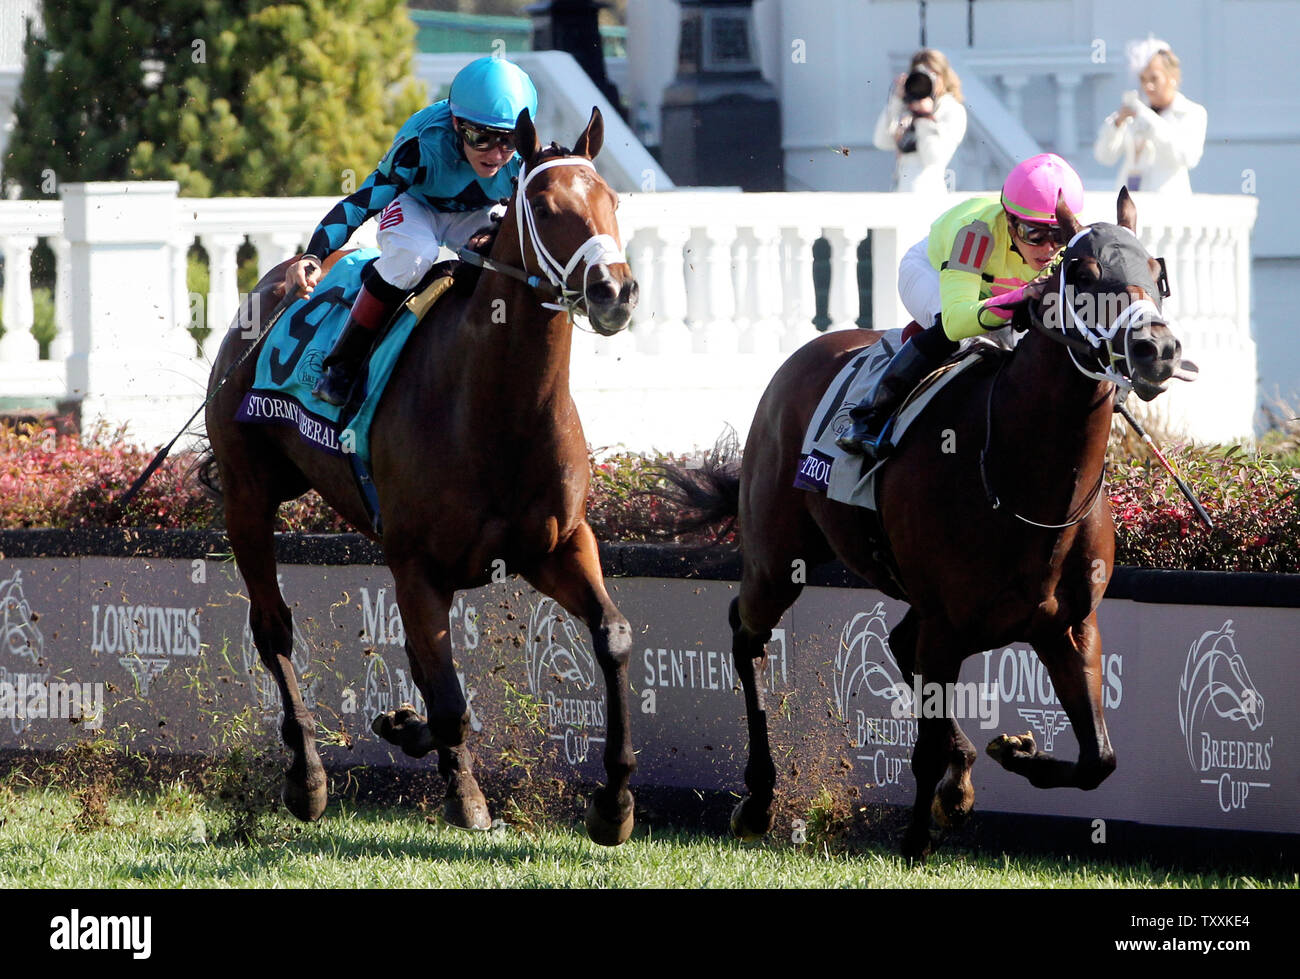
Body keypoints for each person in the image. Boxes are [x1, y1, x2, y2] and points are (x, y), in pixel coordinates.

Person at [284, 56, 538, 406]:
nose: (496, 155)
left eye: (508, 141)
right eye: (481, 137)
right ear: (455, 124)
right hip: (412, 204)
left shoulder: (525, 160)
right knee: (413, 257)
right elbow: (361, 204)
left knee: (504, 260)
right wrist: (315, 253)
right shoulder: (422, 145)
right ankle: (342, 364)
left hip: (473, 213)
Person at [837, 153, 1084, 456]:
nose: (1048, 248)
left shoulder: (1069, 248)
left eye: (1058, 236)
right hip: (930, 273)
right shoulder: (975, 233)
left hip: (994, 287)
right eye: (1033, 234)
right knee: (954, 335)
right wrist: (1018, 298)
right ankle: (868, 419)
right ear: (1009, 220)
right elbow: (956, 320)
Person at [1093, 37, 1206, 195]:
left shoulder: (1192, 112)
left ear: (1172, 77)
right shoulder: (1136, 110)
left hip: (1169, 201)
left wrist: (1149, 120)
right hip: (1131, 204)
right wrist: (1117, 124)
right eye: (1143, 79)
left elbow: (1187, 157)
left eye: (1154, 78)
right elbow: (1104, 156)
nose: (1148, 86)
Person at [872, 49, 967, 195]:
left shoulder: (952, 110)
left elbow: (933, 159)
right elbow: (881, 142)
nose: (926, 81)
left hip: (930, 196)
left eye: (932, 75)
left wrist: (924, 117)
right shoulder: (908, 109)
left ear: (944, 76)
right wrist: (897, 101)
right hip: (902, 195)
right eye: (921, 75)